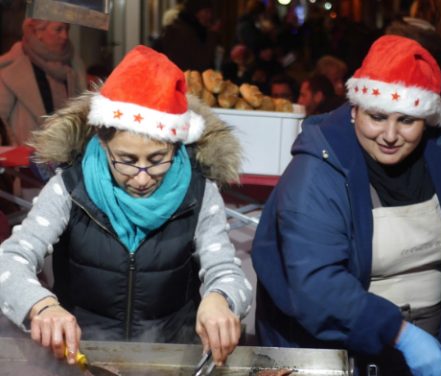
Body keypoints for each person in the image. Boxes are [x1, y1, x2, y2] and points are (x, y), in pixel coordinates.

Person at [252, 35, 441, 376]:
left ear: (427, 119)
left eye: (406, 120)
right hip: (333, 356)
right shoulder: (317, 172)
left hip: (426, 351)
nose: (389, 135)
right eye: (377, 116)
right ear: (355, 109)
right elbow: (318, 285)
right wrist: (401, 334)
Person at [0, 46, 252, 366]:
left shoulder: (200, 194)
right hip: (82, 359)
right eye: (127, 161)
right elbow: (10, 261)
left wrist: (220, 299)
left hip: (169, 359)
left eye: (158, 160)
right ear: (103, 143)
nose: (142, 177)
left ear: (177, 146)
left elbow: (229, 273)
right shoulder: (69, 188)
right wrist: (42, 307)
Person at [0, 18, 86, 145]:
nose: (65, 36)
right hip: (25, 159)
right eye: (58, 29)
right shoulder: (10, 67)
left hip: (67, 155)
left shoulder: (75, 65)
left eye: (67, 29)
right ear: (37, 32)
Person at [155, 0, 220, 72]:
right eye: (206, 12)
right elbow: (201, 64)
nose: (209, 16)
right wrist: (212, 35)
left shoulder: (187, 28)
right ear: (196, 13)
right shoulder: (183, 32)